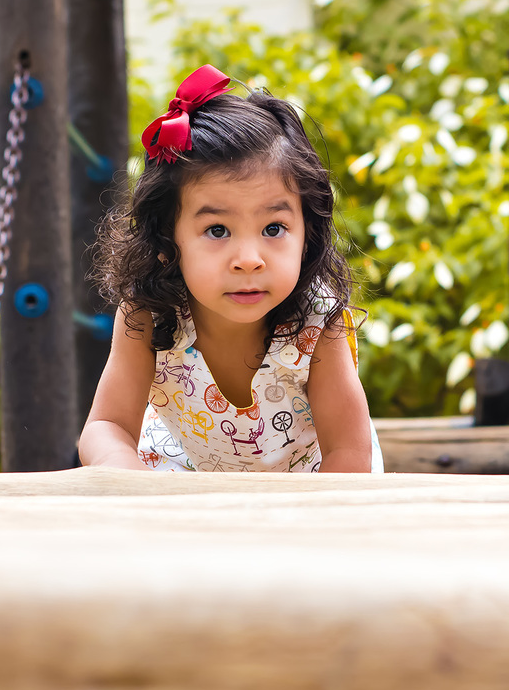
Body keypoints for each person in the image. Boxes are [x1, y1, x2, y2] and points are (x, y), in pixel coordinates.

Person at [79, 64, 382, 473]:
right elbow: (107, 425)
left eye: (273, 228)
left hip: (310, 482)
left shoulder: (317, 321)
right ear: (166, 239)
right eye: (217, 230)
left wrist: (310, 513)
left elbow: (348, 452)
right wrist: (125, 476)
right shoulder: (148, 313)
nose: (249, 258)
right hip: (184, 471)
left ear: (306, 234)